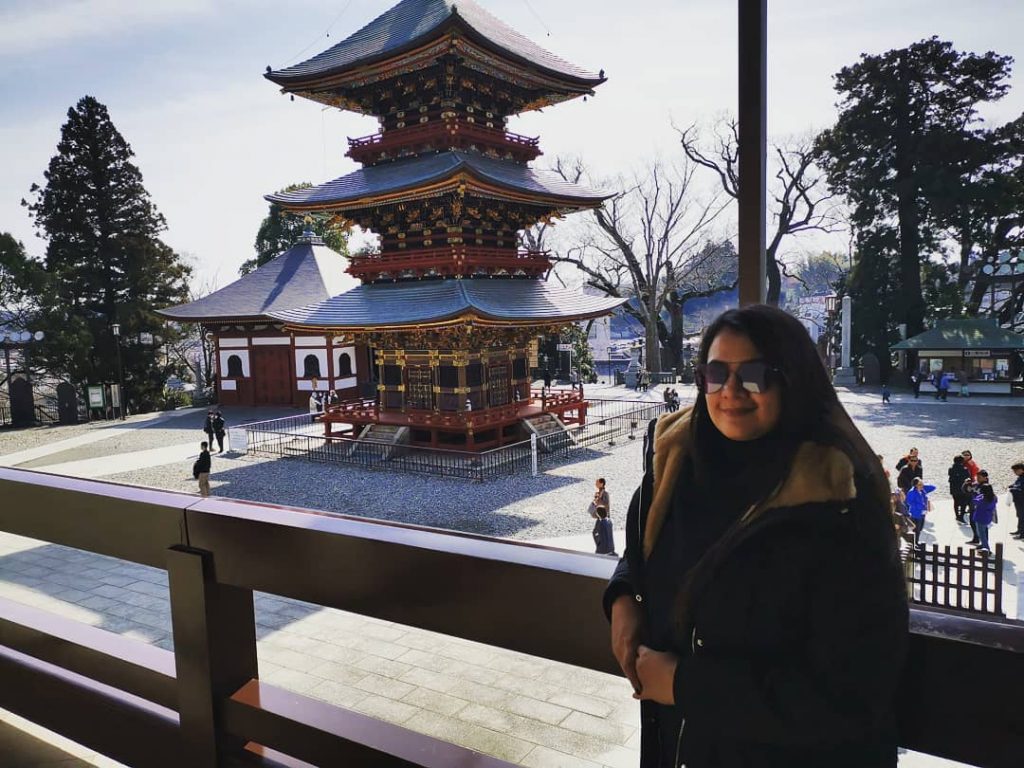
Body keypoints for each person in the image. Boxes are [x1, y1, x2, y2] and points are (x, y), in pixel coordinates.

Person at [604, 304, 907, 768]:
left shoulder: (838, 499)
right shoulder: (679, 461)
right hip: (679, 746)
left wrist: (685, 685)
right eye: (715, 373)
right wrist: (623, 596)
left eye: (755, 375)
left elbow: (851, 693)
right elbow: (642, 547)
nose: (730, 391)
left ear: (793, 380)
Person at [969, 473, 997, 556]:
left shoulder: (982, 498)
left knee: (981, 534)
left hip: (980, 517)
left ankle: (986, 549)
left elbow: (975, 501)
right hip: (987, 517)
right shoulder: (993, 497)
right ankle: (984, 546)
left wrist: (974, 494)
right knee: (984, 531)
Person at [904, 477, 936, 549]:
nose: (921, 485)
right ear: (915, 485)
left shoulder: (922, 490)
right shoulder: (912, 492)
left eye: (922, 484)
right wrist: (920, 507)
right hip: (915, 514)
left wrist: (924, 485)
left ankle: (916, 542)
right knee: (916, 530)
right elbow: (909, 502)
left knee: (920, 529)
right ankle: (914, 544)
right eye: (920, 484)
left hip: (922, 513)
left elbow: (933, 487)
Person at [948, 455, 971, 522]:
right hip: (962, 488)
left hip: (954, 488)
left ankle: (957, 515)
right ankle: (961, 516)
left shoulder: (951, 469)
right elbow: (968, 477)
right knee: (963, 502)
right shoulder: (965, 469)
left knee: (956, 502)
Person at [1009, 462, 1024, 539]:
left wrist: (1013, 489)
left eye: (1015, 471)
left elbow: (1021, 489)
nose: (1014, 473)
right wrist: (1012, 486)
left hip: (1022, 501)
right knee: (1019, 516)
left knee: (1022, 517)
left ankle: (1022, 533)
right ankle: (1019, 530)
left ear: (1021, 470)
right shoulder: (1020, 477)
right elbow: (1017, 485)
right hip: (1018, 501)